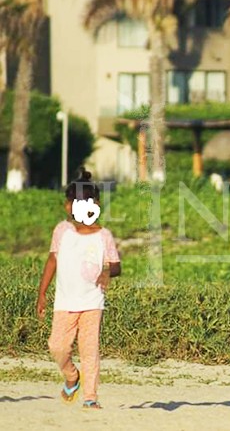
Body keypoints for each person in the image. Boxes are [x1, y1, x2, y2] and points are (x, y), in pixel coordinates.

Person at [36, 168, 121, 410]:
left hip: (92, 302)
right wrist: (42, 293)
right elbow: (52, 260)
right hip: (64, 302)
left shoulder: (104, 236)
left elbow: (116, 266)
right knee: (57, 346)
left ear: (96, 205)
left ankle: (90, 397)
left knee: (89, 350)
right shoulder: (62, 231)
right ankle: (72, 377)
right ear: (68, 206)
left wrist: (107, 272)